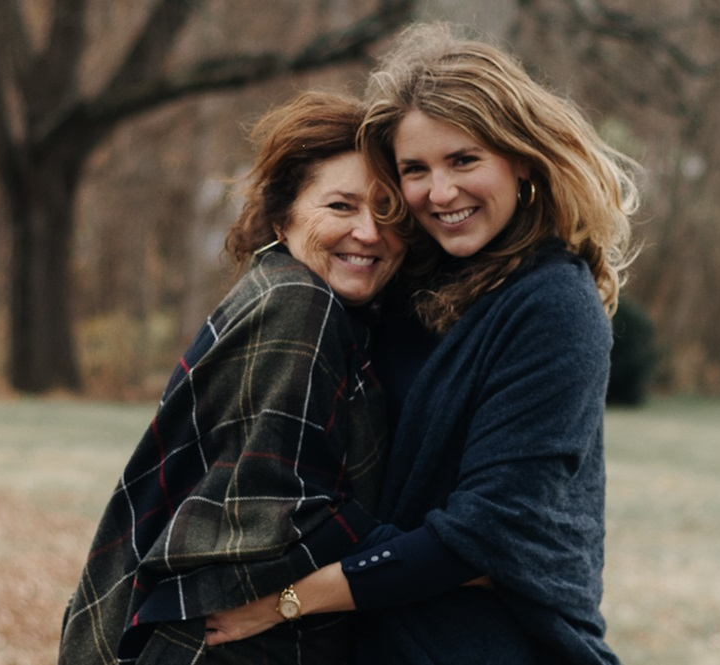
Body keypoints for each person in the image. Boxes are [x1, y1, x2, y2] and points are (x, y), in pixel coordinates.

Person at [204, 22, 639, 664]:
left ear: (521, 158)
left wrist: (285, 600)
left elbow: (486, 534)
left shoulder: (552, 305)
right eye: (415, 170)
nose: (440, 193)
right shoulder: (404, 281)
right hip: (368, 637)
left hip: (482, 644)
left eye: (464, 160)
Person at [57, 91, 405, 665]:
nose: (370, 232)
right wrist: (442, 555)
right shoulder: (301, 304)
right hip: (230, 645)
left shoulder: (290, 295)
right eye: (341, 206)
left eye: (389, 212)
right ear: (283, 217)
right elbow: (283, 517)